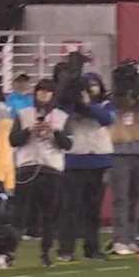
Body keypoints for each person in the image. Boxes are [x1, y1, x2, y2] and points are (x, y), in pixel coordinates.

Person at [10, 79, 73, 267]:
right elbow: (13, 140)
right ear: (35, 93)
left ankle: (46, 252)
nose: (44, 95)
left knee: (49, 215)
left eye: (48, 92)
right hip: (27, 166)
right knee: (20, 214)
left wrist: (54, 132)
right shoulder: (23, 114)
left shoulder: (61, 116)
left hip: (51, 168)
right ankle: (9, 251)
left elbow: (68, 144)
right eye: (41, 91)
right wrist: (29, 130)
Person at [57, 74, 115, 262]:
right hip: (75, 159)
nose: (92, 89)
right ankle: (66, 249)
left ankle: (92, 248)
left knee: (93, 209)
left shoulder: (105, 103)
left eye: (95, 85)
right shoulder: (67, 106)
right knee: (70, 208)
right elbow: (60, 122)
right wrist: (72, 103)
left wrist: (87, 104)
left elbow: (106, 119)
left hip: (98, 159)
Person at [108, 87, 139, 255]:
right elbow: (109, 115)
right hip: (119, 151)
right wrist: (121, 95)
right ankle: (120, 239)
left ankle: (131, 238)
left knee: (135, 198)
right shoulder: (113, 102)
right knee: (121, 197)